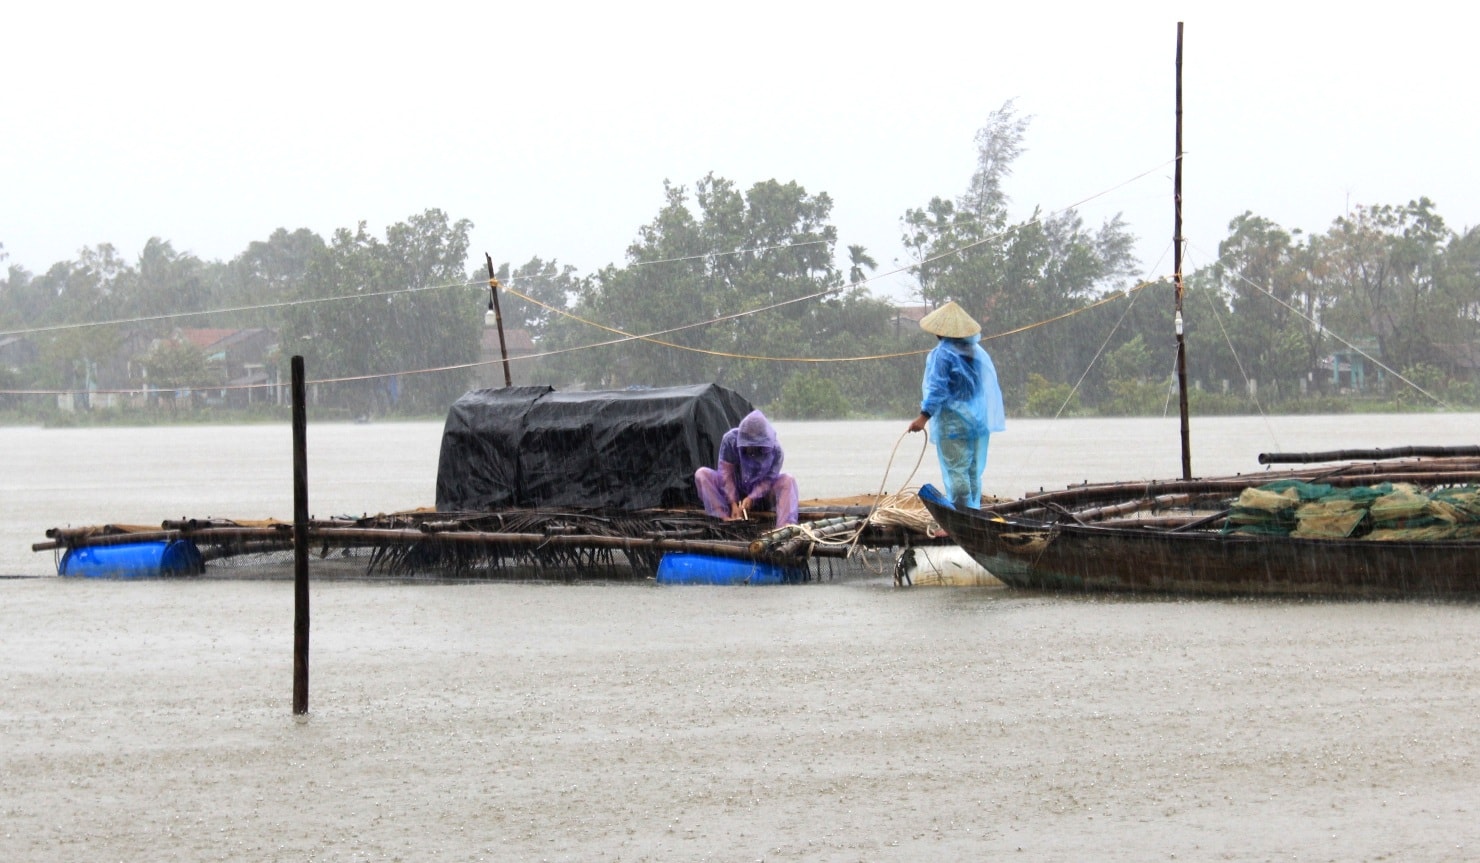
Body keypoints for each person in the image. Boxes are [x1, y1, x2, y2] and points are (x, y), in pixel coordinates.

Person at [907, 300, 1006, 510]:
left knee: (957, 473)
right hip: (977, 421)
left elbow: (938, 388)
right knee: (971, 471)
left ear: (938, 332)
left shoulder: (942, 354)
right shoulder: (975, 352)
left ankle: (961, 515)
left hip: (952, 423)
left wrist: (923, 417)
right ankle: (971, 510)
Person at [694, 409, 799, 528]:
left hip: (762, 497)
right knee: (701, 474)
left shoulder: (776, 451)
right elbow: (725, 474)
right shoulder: (730, 440)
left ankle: (784, 527)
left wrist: (752, 497)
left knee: (788, 480)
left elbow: (768, 481)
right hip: (733, 490)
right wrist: (733, 503)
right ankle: (723, 518)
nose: (751, 449)